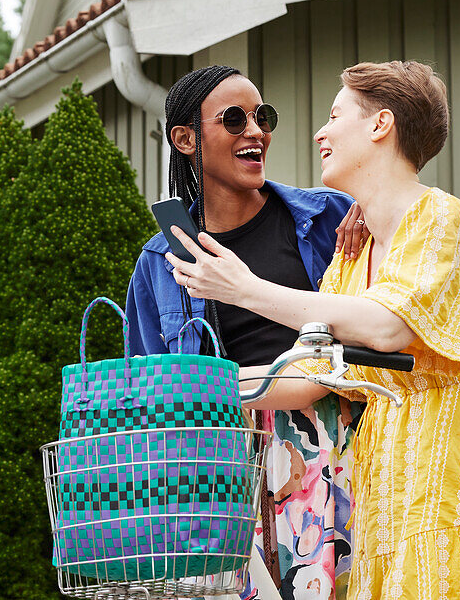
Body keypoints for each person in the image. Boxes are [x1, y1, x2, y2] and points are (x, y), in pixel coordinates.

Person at [165, 61, 460, 599]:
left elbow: (387, 326)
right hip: (390, 504)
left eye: (336, 116)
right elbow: (309, 373)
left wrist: (244, 289)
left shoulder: (443, 219)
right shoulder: (351, 258)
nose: (320, 132)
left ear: (380, 126)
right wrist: (183, 389)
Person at [125, 65, 367, 600]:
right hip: (222, 469)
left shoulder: (329, 218)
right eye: (234, 119)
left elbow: (378, 314)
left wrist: (372, 213)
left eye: (262, 116)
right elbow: (145, 391)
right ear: (186, 139)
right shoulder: (160, 261)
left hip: (335, 449)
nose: (254, 131)